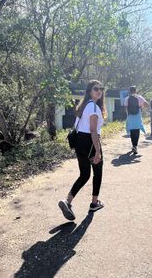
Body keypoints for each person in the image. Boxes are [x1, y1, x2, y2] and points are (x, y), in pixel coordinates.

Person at [58, 80, 106, 221]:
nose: (99, 91)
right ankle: (94, 203)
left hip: (80, 143)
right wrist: (97, 151)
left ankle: (67, 201)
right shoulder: (93, 107)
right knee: (97, 172)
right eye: (95, 88)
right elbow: (93, 130)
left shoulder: (84, 106)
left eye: (101, 88)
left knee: (84, 174)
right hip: (90, 142)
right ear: (90, 91)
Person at [124, 86, 148, 154]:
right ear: (135, 91)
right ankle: (135, 146)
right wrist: (140, 107)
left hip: (130, 116)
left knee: (132, 131)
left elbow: (125, 108)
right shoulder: (139, 98)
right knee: (137, 131)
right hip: (137, 116)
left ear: (129, 91)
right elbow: (147, 105)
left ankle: (133, 145)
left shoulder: (127, 98)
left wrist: (128, 113)